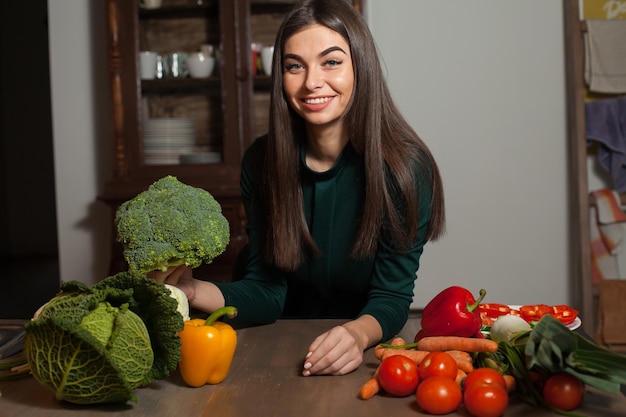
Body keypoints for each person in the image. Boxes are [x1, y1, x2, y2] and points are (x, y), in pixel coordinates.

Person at [149, 0, 445, 377]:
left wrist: (356, 333)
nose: (311, 82)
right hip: (272, 341)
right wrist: (194, 292)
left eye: (331, 62)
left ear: (361, 68)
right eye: (294, 66)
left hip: (363, 349)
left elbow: (391, 298)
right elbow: (266, 291)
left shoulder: (405, 169)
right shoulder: (262, 161)